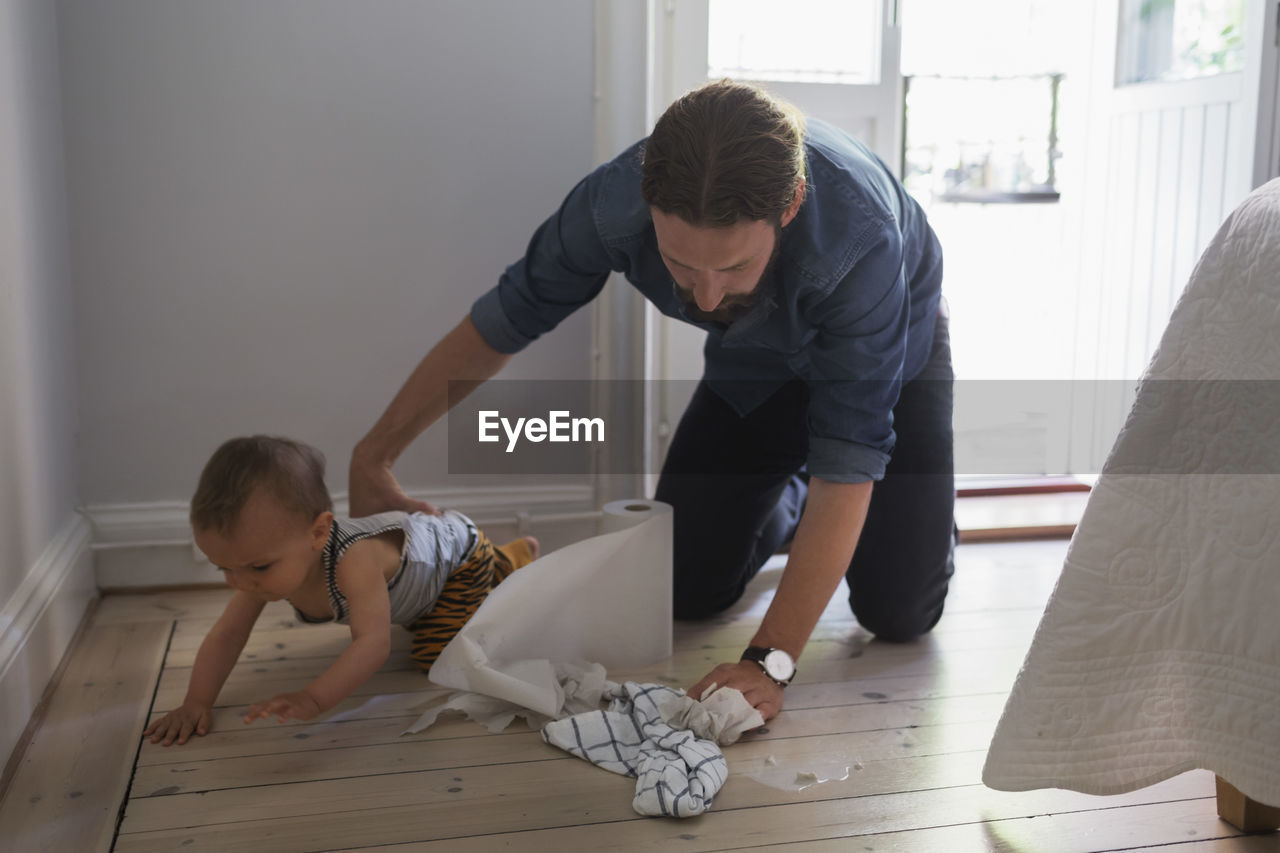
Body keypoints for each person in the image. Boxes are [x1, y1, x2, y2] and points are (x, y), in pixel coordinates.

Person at [348, 80, 953, 722]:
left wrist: (768, 662)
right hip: (753, 365)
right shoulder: (610, 204)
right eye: (682, 269)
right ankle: (796, 488)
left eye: (735, 268)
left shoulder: (862, 246)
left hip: (893, 357)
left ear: (792, 204)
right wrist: (372, 455)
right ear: (647, 206)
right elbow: (504, 321)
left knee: (899, 614)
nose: (709, 301)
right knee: (685, 589)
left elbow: (851, 454)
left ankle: (906, 509)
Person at [143, 435, 538, 746]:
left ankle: (508, 565)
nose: (241, 583)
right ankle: (509, 558)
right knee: (417, 620)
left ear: (318, 533)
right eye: (223, 568)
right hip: (420, 580)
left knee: (436, 657)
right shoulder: (255, 572)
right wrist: (196, 701)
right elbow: (227, 635)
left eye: (258, 567)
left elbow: (372, 644)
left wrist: (313, 698)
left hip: (456, 563)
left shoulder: (354, 560)